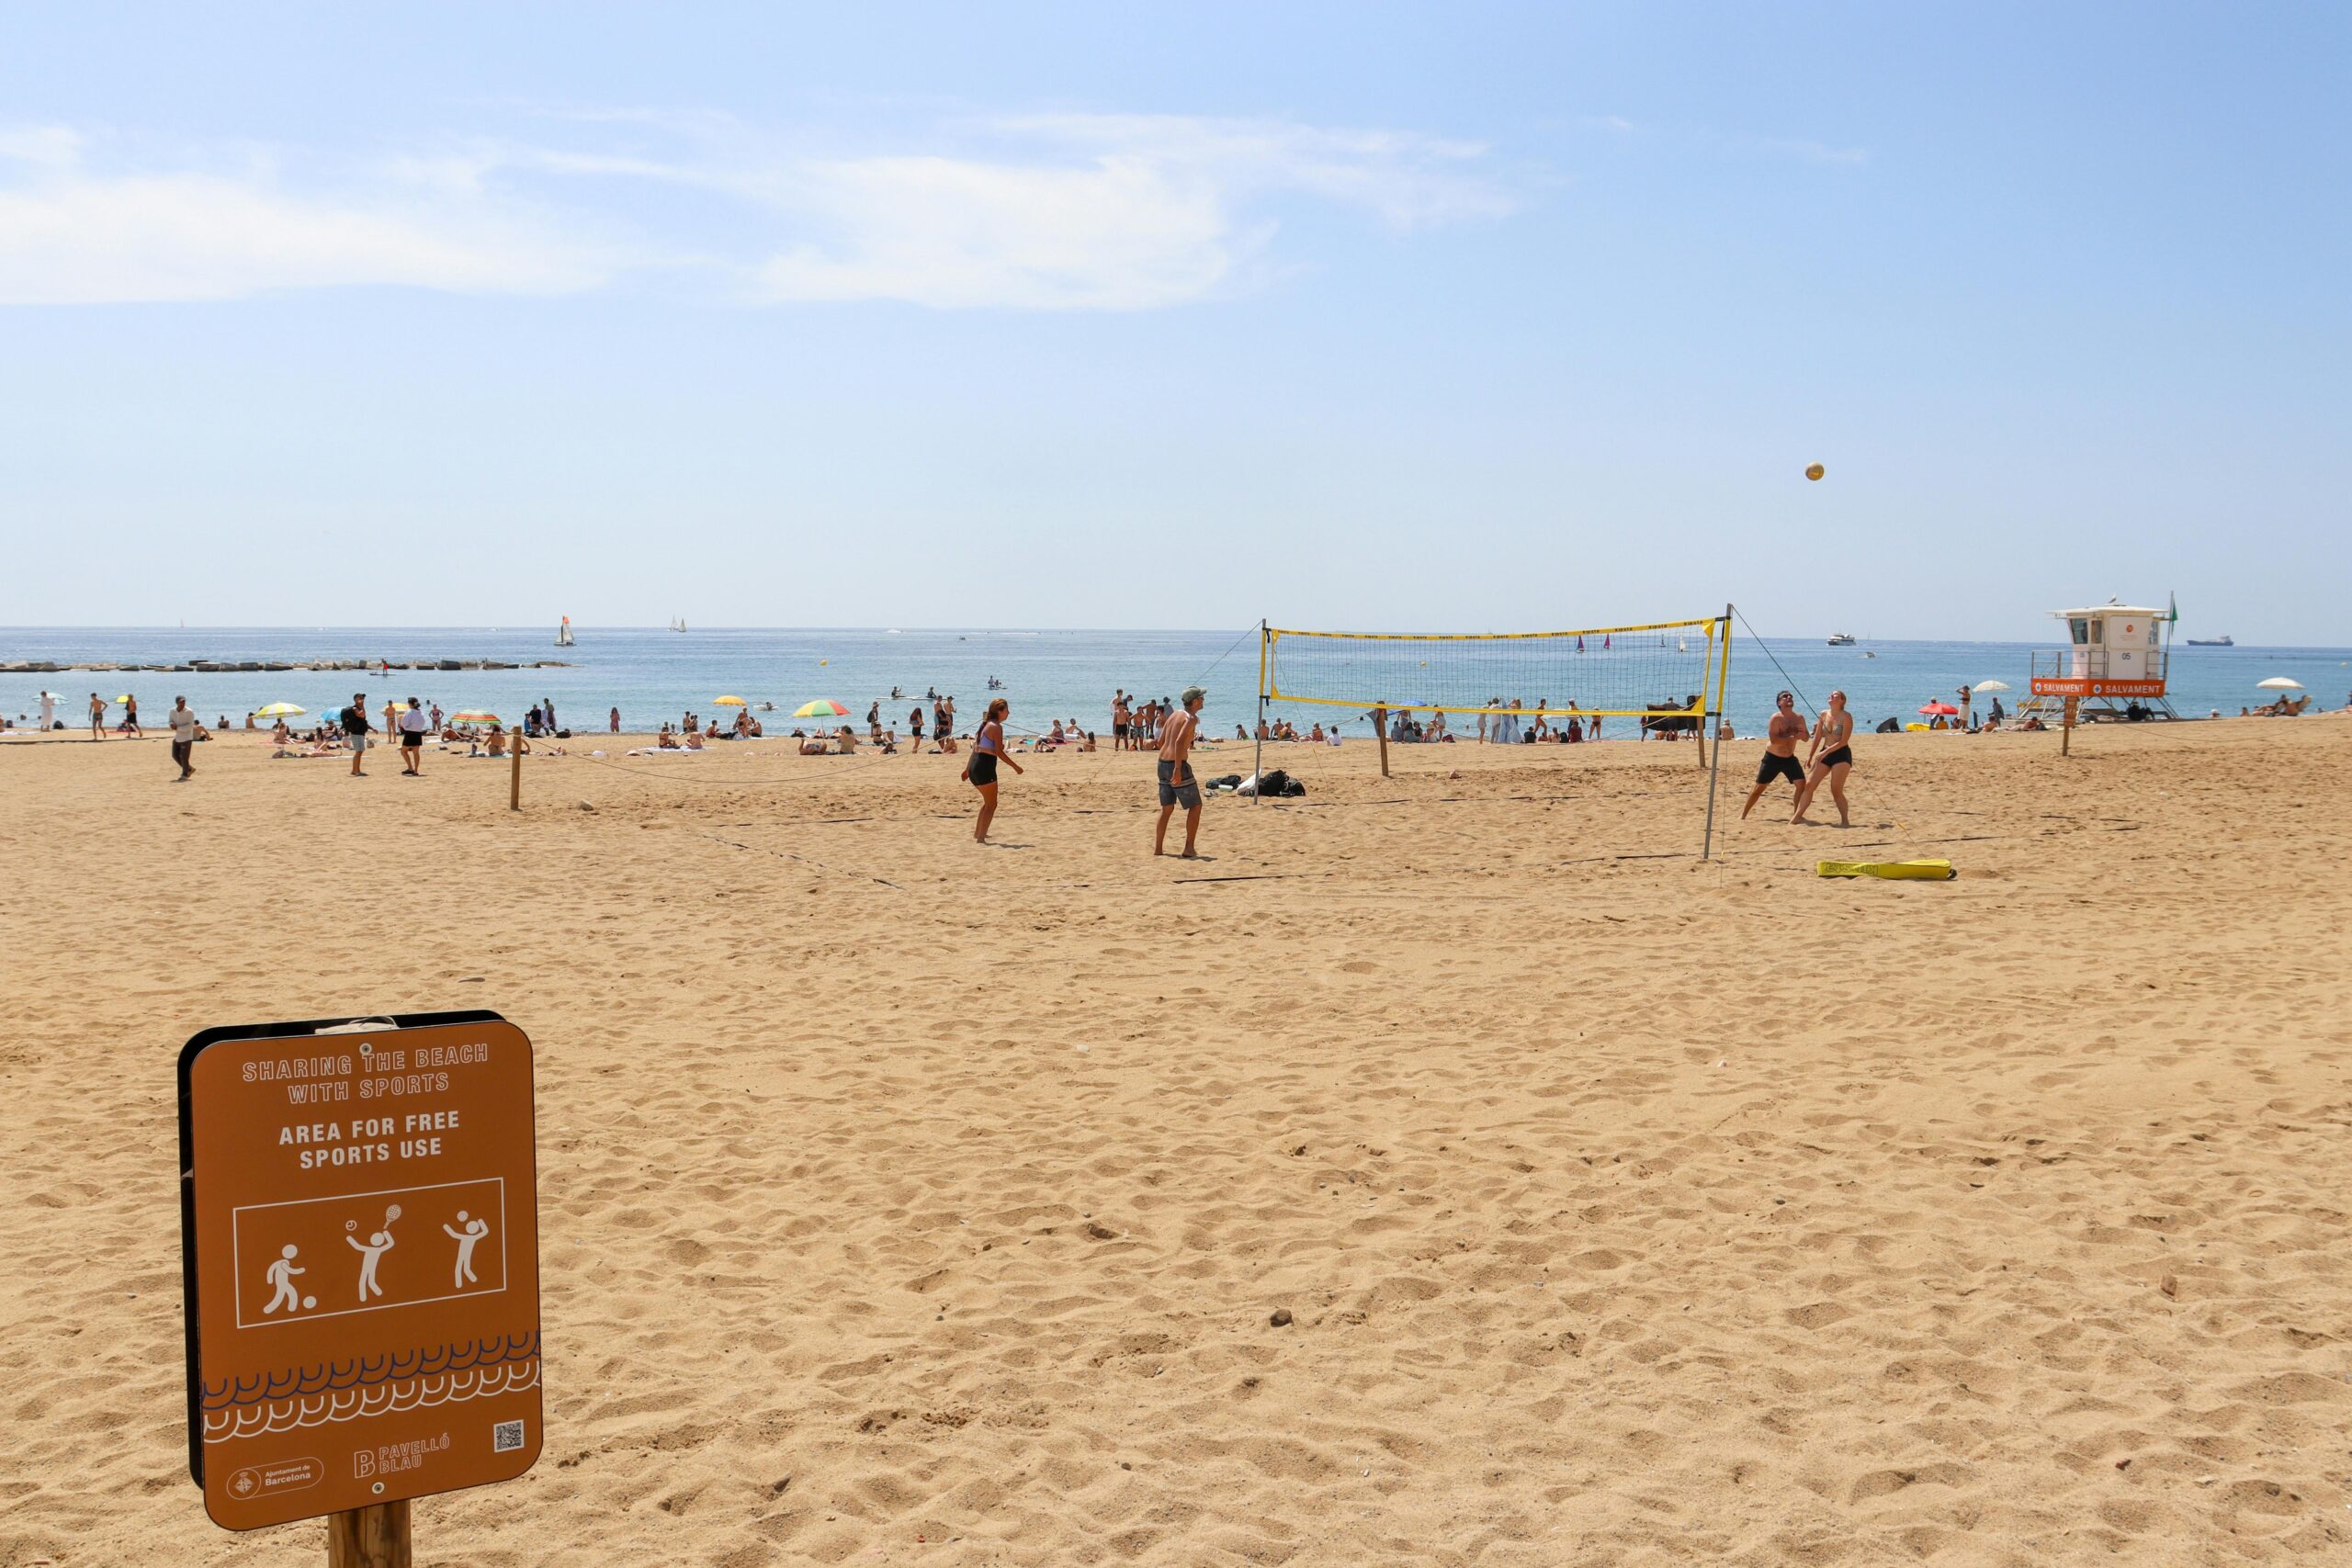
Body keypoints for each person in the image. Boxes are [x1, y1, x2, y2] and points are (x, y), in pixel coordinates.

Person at [964, 697, 1023, 843]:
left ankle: (979, 833)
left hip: (975, 766)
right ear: (999, 711)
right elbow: (999, 752)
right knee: (992, 804)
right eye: (1007, 711)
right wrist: (1015, 767)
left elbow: (976, 748)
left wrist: (967, 770)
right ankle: (981, 838)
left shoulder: (984, 725)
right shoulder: (996, 726)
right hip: (984, 766)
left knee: (988, 802)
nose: (1008, 714)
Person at [1740, 691, 1809, 819]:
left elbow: (1806, 737)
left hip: (1789, 758)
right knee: (1759, 788)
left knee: (1801, 784)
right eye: (1785, 696)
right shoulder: (1776, 718)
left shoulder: (1799, 718)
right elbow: (1774, 740)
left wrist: (1802, 736)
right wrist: (1793, 736)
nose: (1789, 697)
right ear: (1779, 703)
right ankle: (1743, 815)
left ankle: (1796, 814)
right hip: (1773, 758)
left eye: (1791, 696)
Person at [1155, 686, 1206, 858]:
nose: (1204, 701)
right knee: (1196, 806)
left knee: (1167, 809)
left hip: (1162, 764)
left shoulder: (1174, 715)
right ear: (1195, 701)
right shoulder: (1191, 719)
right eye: (1201, 698)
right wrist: (1177, 768)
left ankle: (1158, 849)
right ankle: (1189, 848)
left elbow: (1160, 742)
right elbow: (1177, 742)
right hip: (1176, 765)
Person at [1792, 690, 1855, 827]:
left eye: (1835, 695)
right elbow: (1817, 737)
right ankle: (1797, 817)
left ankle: (1845, 820)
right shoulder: (1823, 714)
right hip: (1824, 753)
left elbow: (1843, 741)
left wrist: (1825, 752)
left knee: (1836, 790)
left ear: (1842, 700)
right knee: (1809, 785)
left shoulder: (1846, 717)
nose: (1831, 696)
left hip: (1841, 754)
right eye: (1831, 695)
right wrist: (1810, 755)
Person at [338, 691, 373, 776]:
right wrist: (362, 706)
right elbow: (361, 715)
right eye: (360, 698)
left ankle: (354, 770)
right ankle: (357, 771)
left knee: (359, 752)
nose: (362, 699)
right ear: (355, 700)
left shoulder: (358, 708)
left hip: (359, 733)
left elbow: (363, 720)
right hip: (356, 733)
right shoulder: (354, 709)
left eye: (362, 698)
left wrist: (372, 728)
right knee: (359, 752)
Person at [167, 694, 199, 781]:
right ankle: (189, 768)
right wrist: (171, 725)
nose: (183, 703)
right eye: (181, 702)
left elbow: (189, 726)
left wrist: (177, 728)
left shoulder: (189, 712)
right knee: (175, 755)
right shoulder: (172, 711)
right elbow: (170, 720)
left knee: (184, 757)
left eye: (184, 701)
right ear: (177, 702)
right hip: (178, 737)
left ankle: (185, 774)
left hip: (187, 737)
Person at [399, 695, 430, 774]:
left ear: (410, 704)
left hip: (410, 733)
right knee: (416, 753)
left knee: (403, 751)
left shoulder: (409, 711)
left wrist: (405, 726)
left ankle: (410, 768)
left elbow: (404, 723)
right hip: (417, 733)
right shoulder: (420, 712)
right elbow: (422, 722)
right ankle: (416, 770)